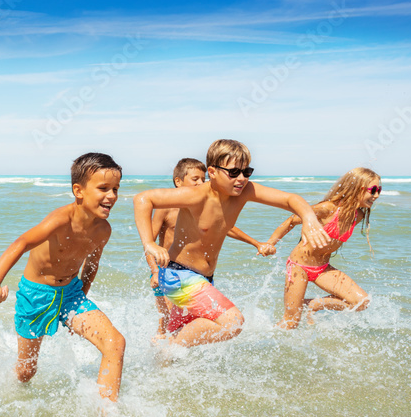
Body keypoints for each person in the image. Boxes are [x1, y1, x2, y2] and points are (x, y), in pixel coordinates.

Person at [133, 139, 330, 348]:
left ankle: (163, 362)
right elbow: (142, 199)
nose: (242, 178)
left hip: (203, 278)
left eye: (247, 172)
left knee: (190, 332)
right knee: (233, 322)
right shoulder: (196, 195)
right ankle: (170, 347)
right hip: (178, 275)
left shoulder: (244, 192)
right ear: (213, 171)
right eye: (234, 172)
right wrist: (149, 244)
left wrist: (309, 218)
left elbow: (290, 199)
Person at [0, 153, 126, 401]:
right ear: (78, 191)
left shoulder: (103, 230)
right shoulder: (60, 220)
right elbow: (22, 242)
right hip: (37, 295)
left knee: (115, 343)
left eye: (116, 189)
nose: (111, 196)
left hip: (72, 294)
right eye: (103, 188)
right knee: (27, 372)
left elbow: (92, 266)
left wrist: (81, 304)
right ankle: (9, 393)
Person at [147, 157, 276, 333]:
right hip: (168, 272)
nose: (200, 183)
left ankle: (173, 353)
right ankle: (162, 349)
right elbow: (150, 242)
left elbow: (226, 228)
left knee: (185, 323)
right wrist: (155, 271)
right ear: (178, 181)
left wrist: (255, 243)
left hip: (193, 275)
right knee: (165, 322)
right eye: (195, 179)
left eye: (203, 179)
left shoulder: (201, 205)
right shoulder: (166, 207)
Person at [266, 167, 381, 328]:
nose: (376, 195)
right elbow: (293, 219)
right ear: (357, 189)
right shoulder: (328, 208)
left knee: (361, 302)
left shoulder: (358, 215)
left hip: (322, 269)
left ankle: (314, 304)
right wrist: (271, 243)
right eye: (373, 190)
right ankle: (266, 343)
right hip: (299, 267)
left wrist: (319, 303)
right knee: (291, 321)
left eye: (379, 190)